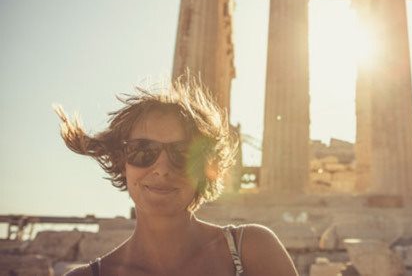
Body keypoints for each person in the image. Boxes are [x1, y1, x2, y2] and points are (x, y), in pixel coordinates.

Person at [59, 77, 298, 276]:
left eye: (182, 154)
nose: (162, 168)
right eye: (143, 150)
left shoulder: (254, 250)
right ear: (123, 162)